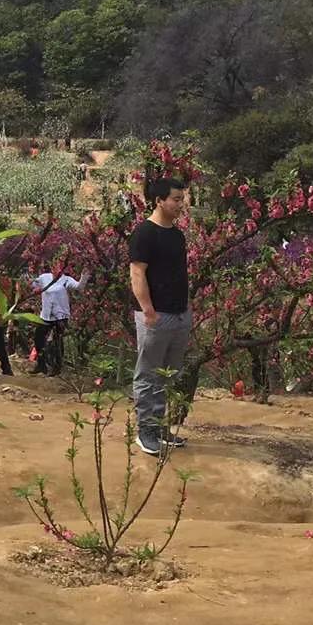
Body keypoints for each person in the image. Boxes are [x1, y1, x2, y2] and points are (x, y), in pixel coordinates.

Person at [129, 176, 191, 456]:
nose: (181, 204)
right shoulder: (145, 233)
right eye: (176, 199)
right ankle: (146, 431)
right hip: (156, 315)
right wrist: (148, 311)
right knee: (149, 373)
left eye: (182, 198)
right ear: (159, 201)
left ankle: (158, 425)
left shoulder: (177, 235)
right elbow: (137, 272)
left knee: (168, 373)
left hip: (179, 314)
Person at [30, 260, 89, 376]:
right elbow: (33, 285)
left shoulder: (66, 280)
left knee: (57, 341)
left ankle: (56, 368)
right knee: (38, 338)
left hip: (60, 315)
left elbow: (79, 287)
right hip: (46, 314)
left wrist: (84, 276)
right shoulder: (44, 277)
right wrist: (34, 288)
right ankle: (41, 364)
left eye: (58, 267)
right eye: (54, 266)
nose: (55, 269)